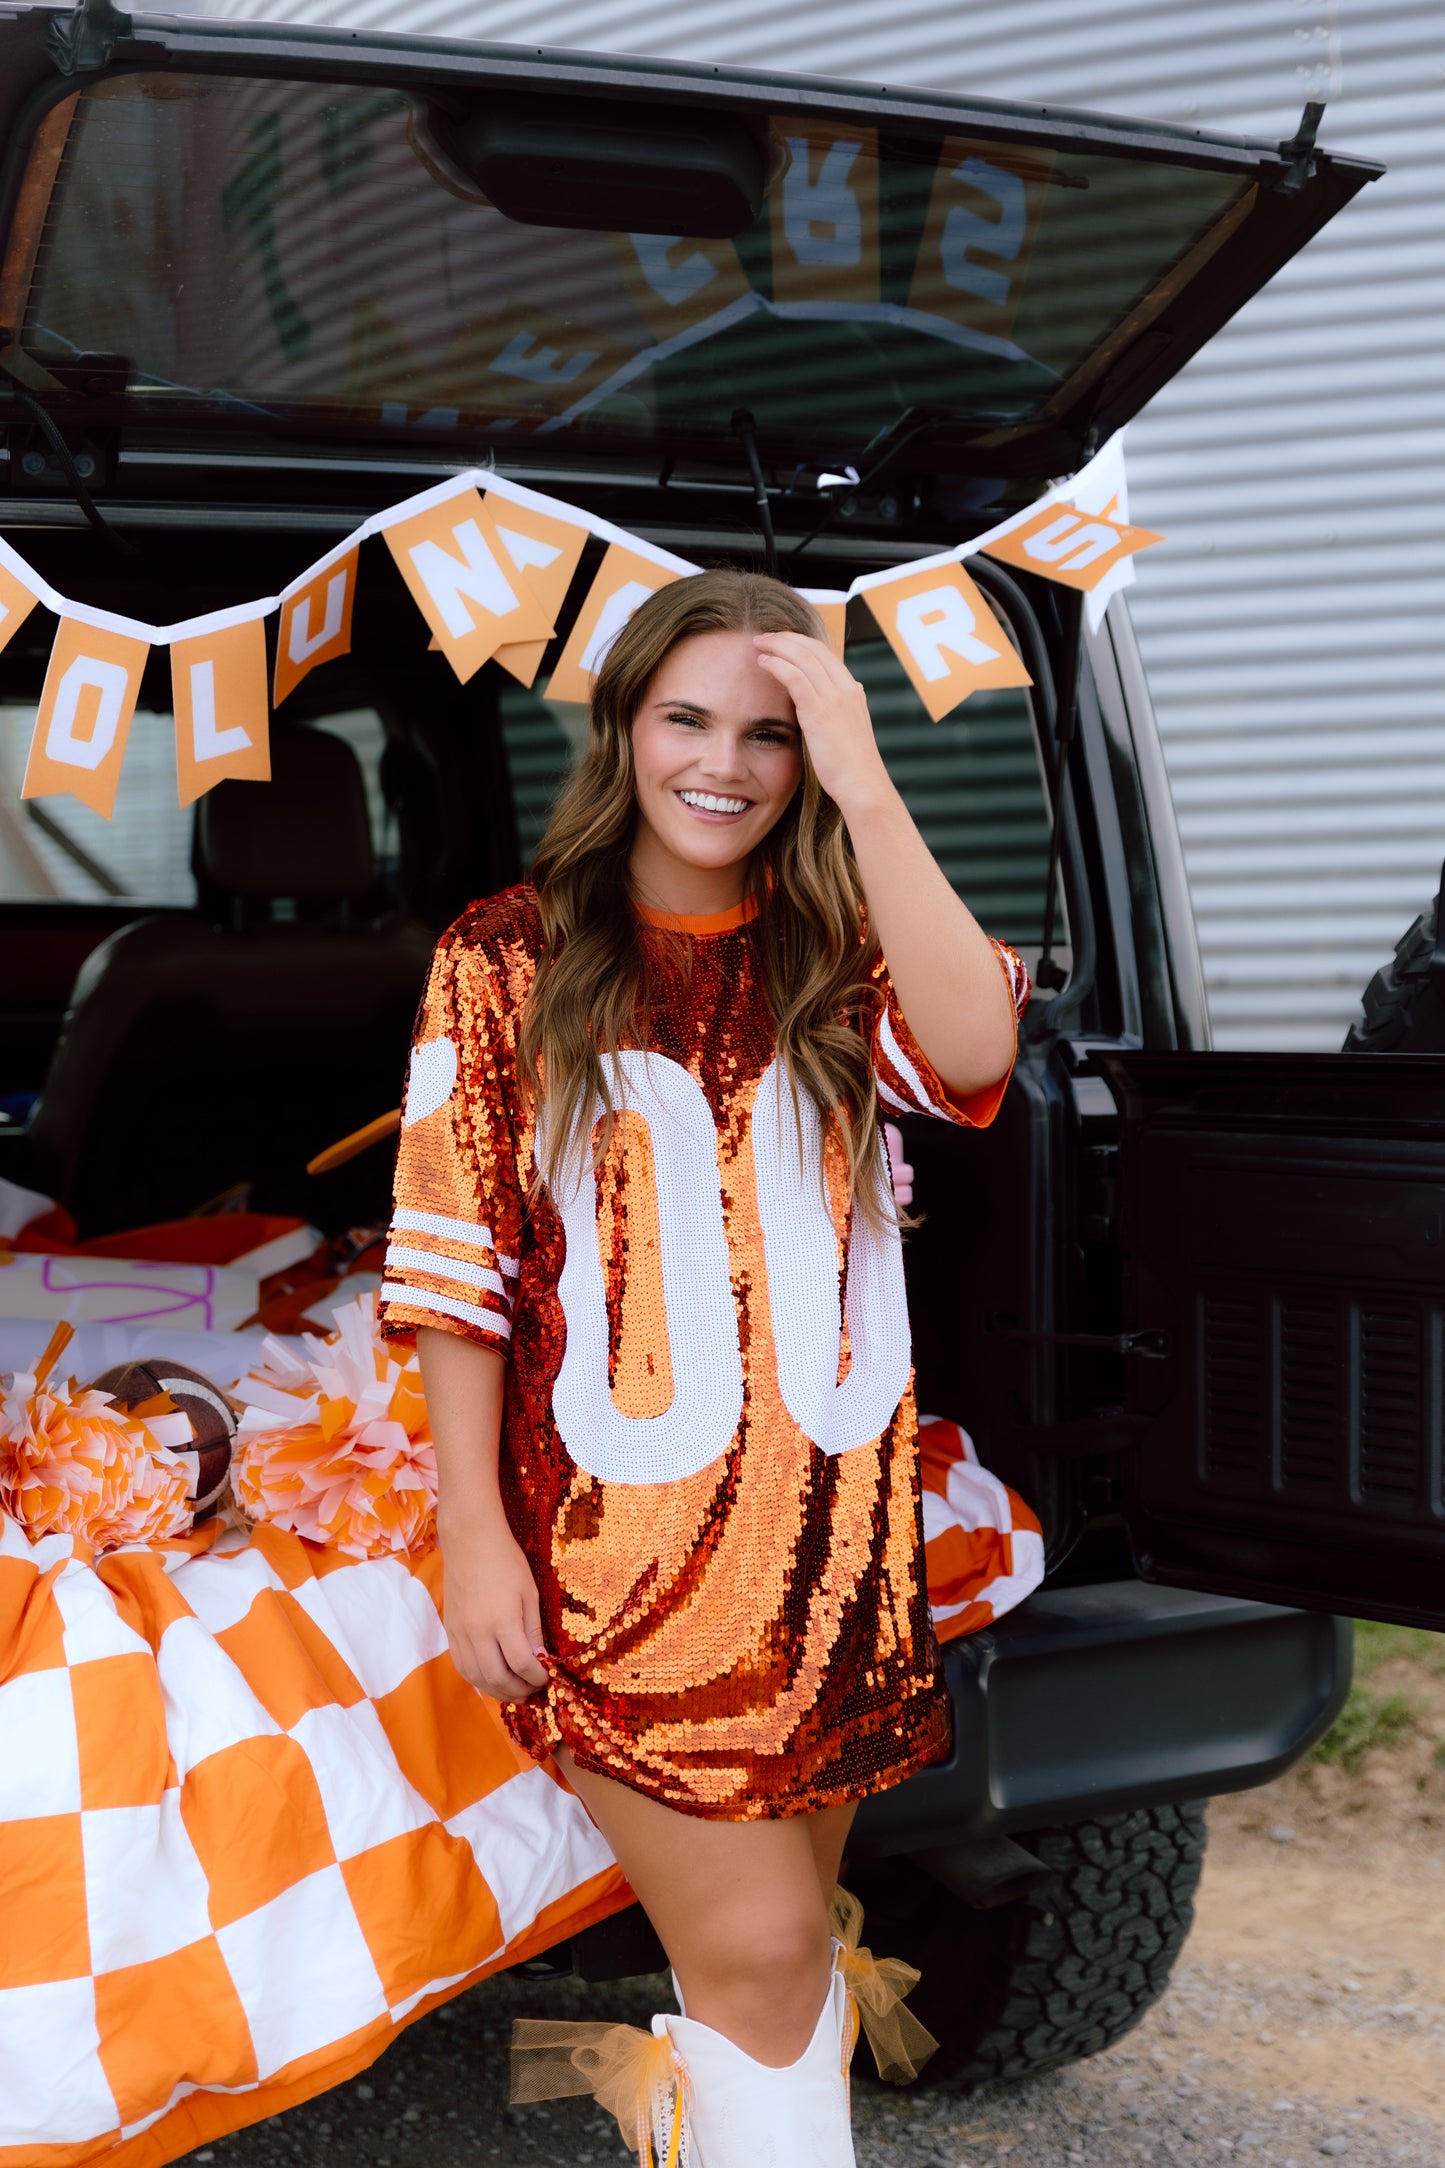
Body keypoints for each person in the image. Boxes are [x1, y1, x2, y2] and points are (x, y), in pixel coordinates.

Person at [376, 569, 1028, 2166]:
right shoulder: (508, 954)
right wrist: (472, 1528)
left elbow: (976, 1054)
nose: (722, 763)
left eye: (771, 731)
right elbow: (458, 1270)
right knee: (760, 1953)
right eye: (686, 717)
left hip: (838, 1556)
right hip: (633, 1554)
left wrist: (868, 772)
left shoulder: (839, 945)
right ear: (622, 726)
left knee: (782, 1953)